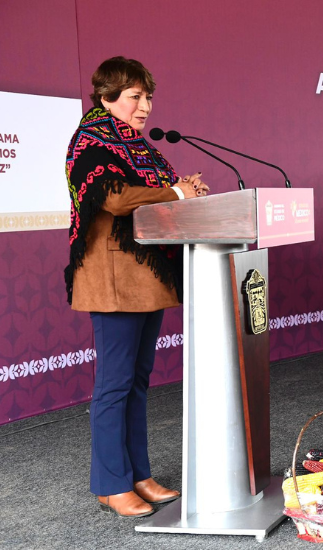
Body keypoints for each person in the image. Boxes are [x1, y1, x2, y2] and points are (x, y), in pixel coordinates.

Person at [65, 57, 207, 518]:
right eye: (135, 96)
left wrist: (183, 188)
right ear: (107, 97)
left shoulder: (136, 146)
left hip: (145, 276)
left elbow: (158, 190)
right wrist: (176, 192)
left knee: (138, 382)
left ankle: (138, 473)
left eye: (148, 96)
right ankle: (109, 484)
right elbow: (116, 198)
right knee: (114, 384)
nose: (145, 106)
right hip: (112, 278)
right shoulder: (91, 141)